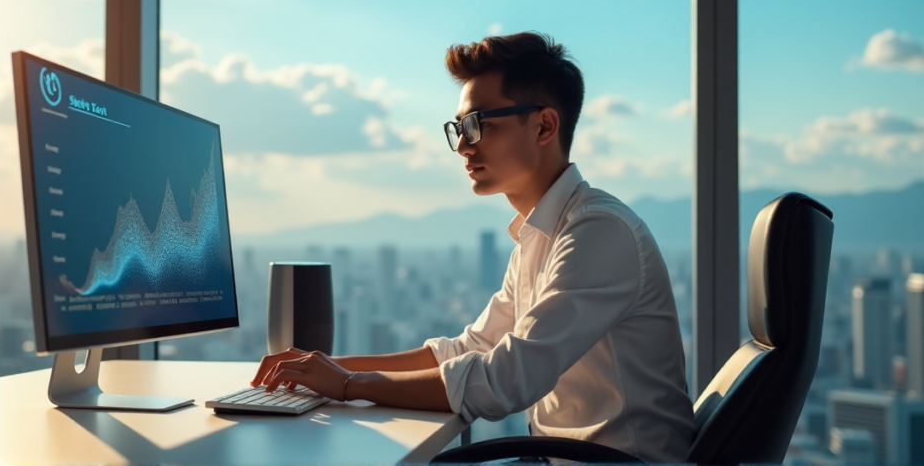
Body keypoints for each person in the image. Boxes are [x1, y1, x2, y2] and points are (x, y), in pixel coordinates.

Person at [250, 32, 694, 462]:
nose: (462, 145)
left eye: (478, 124)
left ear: (543, 125)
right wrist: (322, 369)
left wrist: (350, 384)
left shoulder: (599, 230)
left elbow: (505, 380)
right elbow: (470, 348)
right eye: (459, 127)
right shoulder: (540, 234)